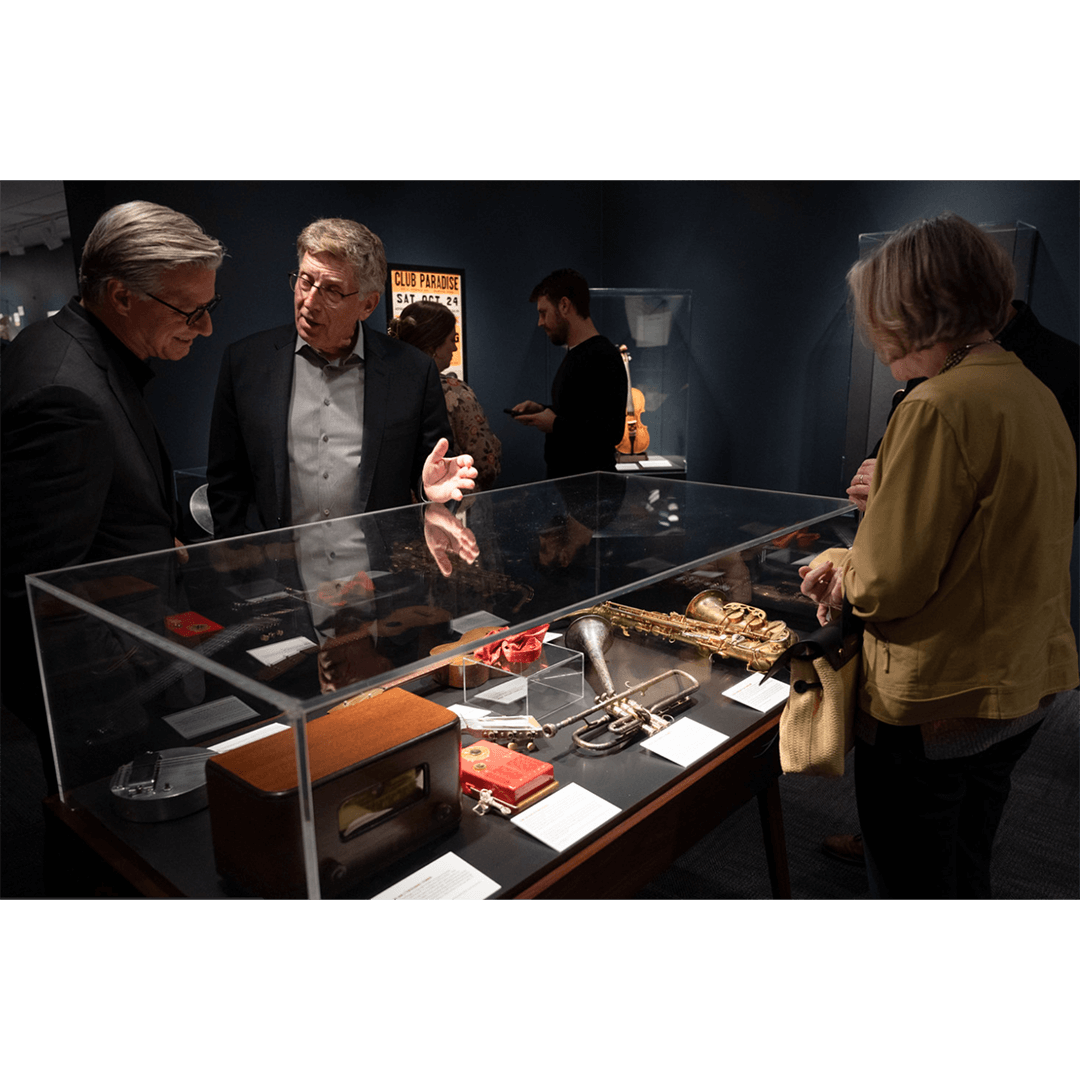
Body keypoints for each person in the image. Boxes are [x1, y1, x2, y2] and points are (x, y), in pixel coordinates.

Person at [800, 213, 1078, 899]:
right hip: (1018, 684)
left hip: (936, 703)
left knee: (911, 879)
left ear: (910, 310)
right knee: (965, 861)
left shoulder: (934, 406)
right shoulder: (1030, 389)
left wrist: (841, 566)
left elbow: (889, 584)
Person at [1, 199, 224, 779]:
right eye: (191, 310)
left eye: (210, 306)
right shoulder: (65, 393)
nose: (205, 326)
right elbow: (39, 592)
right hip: (109, 705)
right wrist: (122, 709)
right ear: (121, 296)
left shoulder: (67, 349)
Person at [207, 218, 475, 537]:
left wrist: (429, 490)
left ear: (368, 304)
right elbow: (226, 482)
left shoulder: (413, 371)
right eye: (305, 281)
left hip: (379, 564)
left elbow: (432, 471)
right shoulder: (245, 363)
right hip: (278, 564)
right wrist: (237, 556)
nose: (309, 302)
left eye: (332, 291)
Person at [513, 268, 626, 478]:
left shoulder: (603, 355)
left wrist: (554, 424)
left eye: (543, 312)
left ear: (564, 306)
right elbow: (580, 413)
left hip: (592, 487)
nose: (540, 322)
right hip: (574, 486)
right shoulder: (577, 353)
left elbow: (610, 431)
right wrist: (542, 410)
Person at [387, 300, 502, 490]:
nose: (455, 348)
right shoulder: (457, 394)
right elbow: (486, 464)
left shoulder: (386, 389)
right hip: (451, 499)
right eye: (452, 340)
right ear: (434, 345)